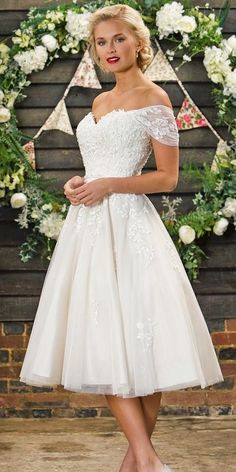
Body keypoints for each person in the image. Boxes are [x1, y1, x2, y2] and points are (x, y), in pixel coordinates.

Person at [20, 4, 224, 472]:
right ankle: (142, 461)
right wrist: (80, 183)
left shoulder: (155, 98)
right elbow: (99, 168)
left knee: (140, 341)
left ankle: (142, 462)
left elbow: (167, 178)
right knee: (104, 337)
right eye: (100, 42)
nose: (109, 49)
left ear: (138, 43)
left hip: (130, 227)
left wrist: (110, 185)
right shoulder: (97, 103)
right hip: (89, 230)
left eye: (118, 39)